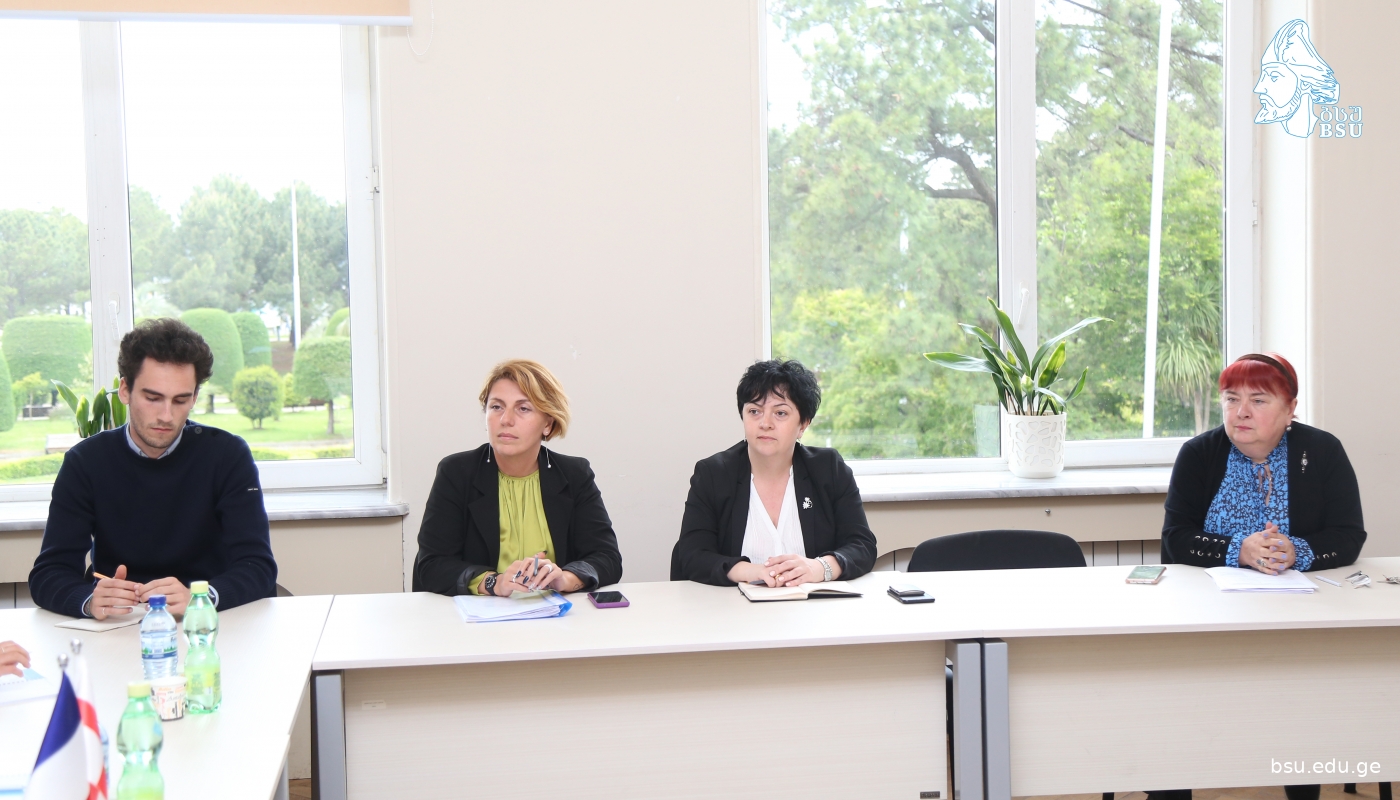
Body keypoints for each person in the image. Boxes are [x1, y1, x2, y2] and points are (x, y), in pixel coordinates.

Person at [1158, 352, 1366, 800]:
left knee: (1298, 699)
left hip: (1297, 616)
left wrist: (1298, 550)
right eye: (1231, 399)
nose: (1241, 412)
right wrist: (1239, 549)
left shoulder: (1322, 451)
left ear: (1290, 409)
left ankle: (1300, 778)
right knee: (1176, 704)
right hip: (1206, 615)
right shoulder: (1199, 454)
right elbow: (1175, 537)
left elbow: (1349, 535)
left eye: (1258, 400)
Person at [28, 319, 278, 619]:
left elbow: (258, 567)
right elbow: (49, 573)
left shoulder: (227, 455)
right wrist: (89, 600)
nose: (166, 416)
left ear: (194, 398)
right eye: (152, 398)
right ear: (125, 390)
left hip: (207, 624)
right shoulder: (85, 462)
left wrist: (201, 598)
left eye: (180, 400)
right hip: (119, 624)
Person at [413, 359, 622, 596]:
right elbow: (432, 565)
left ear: (548, 423)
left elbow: (607, 557)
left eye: (523, 408)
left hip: (552, 613)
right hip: (478, 615)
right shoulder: (456, 472)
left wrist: (564, 579)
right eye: (496, 407)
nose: (506, 420)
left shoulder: (575, 475)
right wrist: (494, 582)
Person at [672, 359, 876, 586]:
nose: (765, 423)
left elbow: (862, 545)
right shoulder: (713, 474)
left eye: (780, 413)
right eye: (754, 411)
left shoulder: (829, 469)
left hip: (813, 605)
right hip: (733, 605)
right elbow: (692, 554)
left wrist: (819, 568)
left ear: (803, 424)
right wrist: (752, 572)